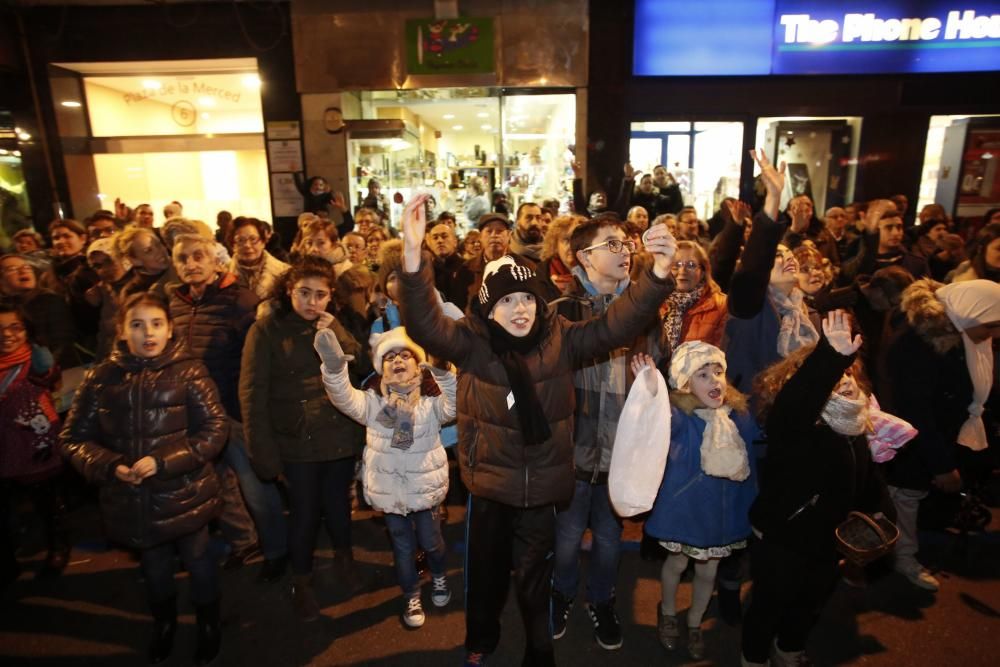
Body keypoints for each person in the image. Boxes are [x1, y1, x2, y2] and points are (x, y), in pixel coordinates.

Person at [396, 192, 677, 666]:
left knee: (534, 575)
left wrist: (659, 274)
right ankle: (481, 641)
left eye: (527, 297)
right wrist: (411, 252)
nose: (521, 309)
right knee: (485, 574)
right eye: (508, 301)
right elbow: (424, 324)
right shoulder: (470, 342)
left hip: (544, 486)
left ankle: (539, 649)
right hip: (490, 484)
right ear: (488, 309)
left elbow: (617, 324)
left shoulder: (560, 337)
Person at [61, 292, 228, 666]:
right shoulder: (101, 378)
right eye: (137, 325)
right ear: (121, 331)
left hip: (185, 494)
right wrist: (109, 464)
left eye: (156, 323)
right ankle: (164, 623)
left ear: (170, 329)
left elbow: (215, 430)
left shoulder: (190, 371)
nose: (147, 333)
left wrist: (164, 461)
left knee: (199, 562)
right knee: (153, 568)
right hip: (132, 500)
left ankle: (208, 623)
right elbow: (72, 438)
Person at [741, 311, 895, 667]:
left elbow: (867, 478)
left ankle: (789, 648)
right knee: (769, 603)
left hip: (827, 540)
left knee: (810, 602)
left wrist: (879, 512)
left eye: (848, 372)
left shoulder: (855, 426)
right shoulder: (796, 427)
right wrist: (830, 357)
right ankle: (753, 656)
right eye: (835, 375)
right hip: (784, 538)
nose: (843, 379)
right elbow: (797, 402)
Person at [550, 216, 664, 652]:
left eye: (626, 243)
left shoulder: (643, 312)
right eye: (611, 243)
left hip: (621, 452)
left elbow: (661, 373)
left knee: (610, 540)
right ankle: (561, 592)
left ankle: (602, 599)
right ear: (584, 257)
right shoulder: (560, 313)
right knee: (565, 538)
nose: (624, 250)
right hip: (573, 453)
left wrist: (652, 380)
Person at [240, 257, 366, 620]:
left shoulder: (333, 325)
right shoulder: (266, 330)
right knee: (305, 513)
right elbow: (252, 393)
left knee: (339, 506)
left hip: (338, 434)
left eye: (320, 295)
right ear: (289, 291)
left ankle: (345, 560)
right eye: (304, 293)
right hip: (296, 441)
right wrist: (262, 451)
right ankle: (302, 580)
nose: (312, 301)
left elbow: (360, 364)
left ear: (331, 297)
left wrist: (337, 331)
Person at [315, 326, 456, 628]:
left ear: (418, 365)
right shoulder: (373, 405)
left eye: (406, 355)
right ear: (381, 368)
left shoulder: (431, 406)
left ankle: (440, 576)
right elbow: (342, 397)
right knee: (403, 549)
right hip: (391, 496)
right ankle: (411, 594)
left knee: (432, 543)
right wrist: (334, 370)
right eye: (389, 357)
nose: (398, 361)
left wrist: (444, 373)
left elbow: (455, 405)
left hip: (424, 490)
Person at [636, 342, 757, 661]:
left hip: (720, 518)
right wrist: (651, 395)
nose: (714, 381)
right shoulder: (679, 416)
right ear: (686, 384)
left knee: (708, 572)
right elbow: (655, 425)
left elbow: (755, 458)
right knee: (676, 563)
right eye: (702, 375)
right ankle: (669, 611)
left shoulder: (738, 416)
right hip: (687, 513)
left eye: (718, 372)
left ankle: (693, 624)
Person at [880, 279, 1000, 591]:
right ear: (972, 314)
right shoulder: (919, 343)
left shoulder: (961, 332)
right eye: (992, 326)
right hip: (913, 444)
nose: (996, 335)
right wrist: (941, 464)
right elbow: (914, 411)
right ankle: (902, 557)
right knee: (904, 499)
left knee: (912, 500)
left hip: (939, 437)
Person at [0, 304, 68, 582]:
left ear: (26, 329)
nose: (7, 335)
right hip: (3, 444)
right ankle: (6, 562)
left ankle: (58, 548)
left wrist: (44, 359)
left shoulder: (36, 359)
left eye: (15, 327)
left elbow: (50, 377)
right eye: (0, 329)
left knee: (46, 501)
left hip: (34, 443)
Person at [0, 253, 79, 368]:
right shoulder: (5, 308)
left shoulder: (49, 300)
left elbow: (61, 344)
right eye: (12, 269)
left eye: (27, 267)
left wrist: (42, 372)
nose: (23, 271)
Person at [660, 240, 728, 353]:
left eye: (691, 265)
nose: (682, 271)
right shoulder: (655, 302)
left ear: (702, 272)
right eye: (676, 265)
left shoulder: (721, 305)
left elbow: (719, 356)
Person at [841, 200, 928, 282]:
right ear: (875, 230)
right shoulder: (858, 257)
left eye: (899, 227)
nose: (896, 233)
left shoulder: (917, 263)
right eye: (888, 227)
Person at [83, 238, 132, 360]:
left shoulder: (142, 285)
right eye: (97, 266)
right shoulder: (103, 291)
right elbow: (105, 334)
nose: (104, 269)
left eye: (108, 261)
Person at [227, 217, 290, 301]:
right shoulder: (223, 273)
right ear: (233, 245)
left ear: (263, 242)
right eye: (240, 240)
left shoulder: (284, 272)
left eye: (253, 239)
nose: (247, 245)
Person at [115, 227, 176, 300]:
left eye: (158, 244)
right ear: (134, 260)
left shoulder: (182, 267)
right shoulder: (134, 293)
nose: (160, 252)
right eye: (148, 251)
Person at [427, 222, 476, 312]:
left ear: (455, 241)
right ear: (430, 244)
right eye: (435, 238)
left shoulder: (467, 267)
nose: (440, 240)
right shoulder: (426, 271)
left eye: (444, 236)